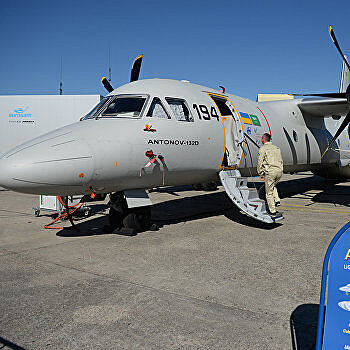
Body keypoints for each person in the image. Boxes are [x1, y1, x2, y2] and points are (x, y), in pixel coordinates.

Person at [257, 133, 283, 218]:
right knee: (272, 186)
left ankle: (273, 211)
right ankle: (277, 199)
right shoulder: (277, 148)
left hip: (270, 172)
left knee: (268, 193)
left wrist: (260, 172)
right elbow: (281, 160)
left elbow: (260, 161)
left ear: (263, 139)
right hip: (279, 171)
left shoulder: (263, 149)